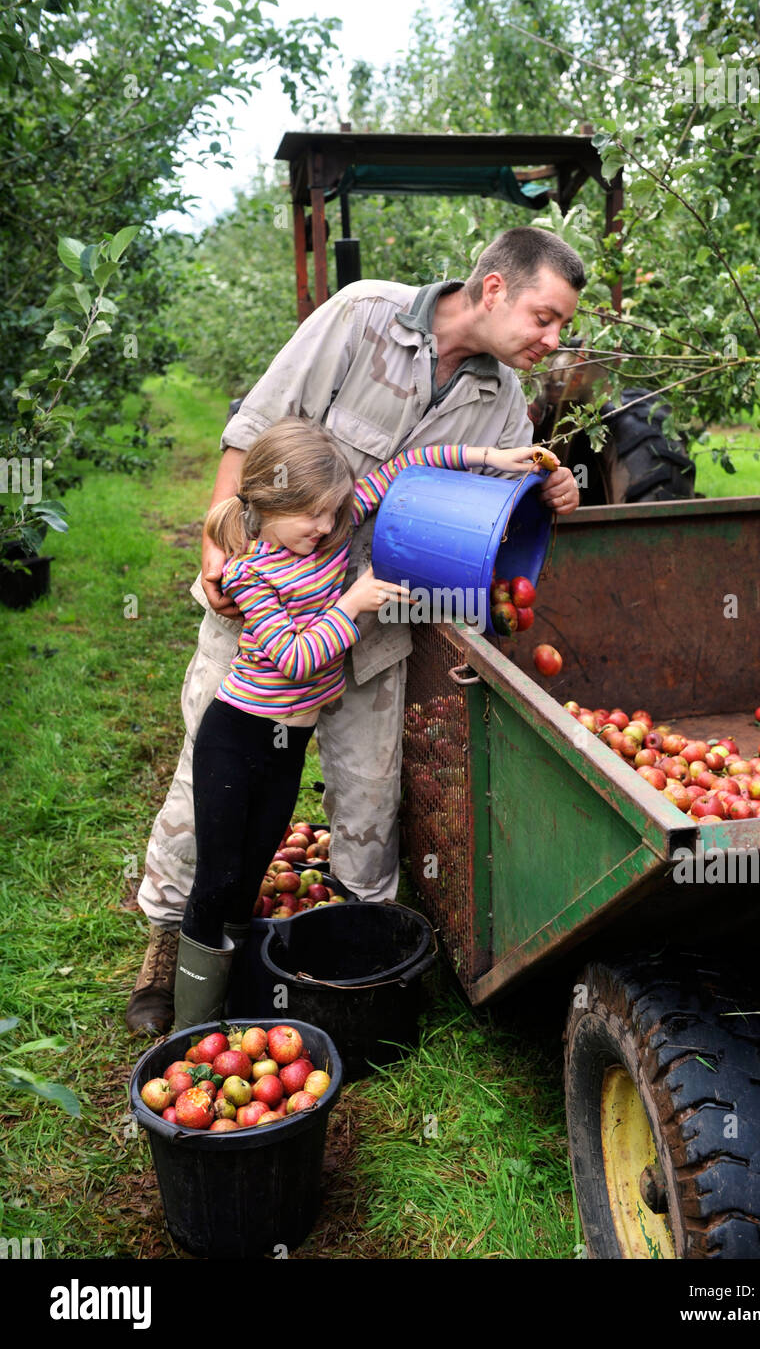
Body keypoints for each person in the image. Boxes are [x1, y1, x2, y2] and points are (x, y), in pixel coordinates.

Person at [127, 225, 586, 1035]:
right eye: (544, 318)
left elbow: (483, 491)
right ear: (492, 289)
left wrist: (552, 489)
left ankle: (354, 958)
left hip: (378, 632)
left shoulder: (501, 401)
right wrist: (214, 544)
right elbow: (253, 426)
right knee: (209, 790)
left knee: (370, 802)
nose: (552, 342)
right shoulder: (360, 318)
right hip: (266, 618)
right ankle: (167, 956)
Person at [173, 419, 541, 1029]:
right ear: (267, 504)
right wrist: (352, 602)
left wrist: (495, 455)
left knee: (255, 865)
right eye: (311, 517)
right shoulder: (251, 573)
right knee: (218, 877)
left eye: (334, 512)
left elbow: (409, 463)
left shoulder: (333, 526)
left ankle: (232, 1005)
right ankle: (193, 1026)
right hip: (235, 738)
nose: (326, 528)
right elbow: (295, 659)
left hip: (286, 745)